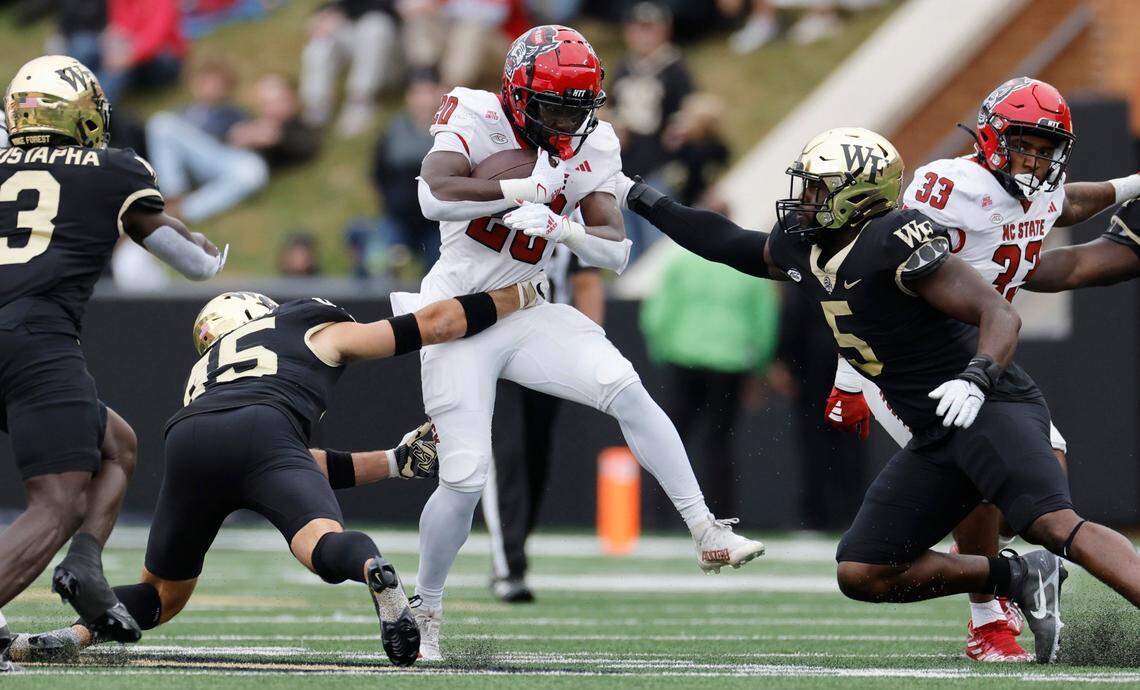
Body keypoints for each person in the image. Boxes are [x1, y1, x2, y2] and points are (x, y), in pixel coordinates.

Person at [618, 126, 1140, 663]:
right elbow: (728, 242)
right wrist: (640, 196)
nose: (804, 200)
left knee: (1053, 522)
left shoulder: (896, 238)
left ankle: (1013, 592)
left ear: (856, 195)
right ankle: (1016, 574)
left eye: (818, 189)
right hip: (934, 432)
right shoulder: (811, 244)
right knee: (863, 571)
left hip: (987, 404)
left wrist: (978, 375)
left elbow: (998, 312)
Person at [410, 24, 765, 660]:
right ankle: (426, 607)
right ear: (517, 95)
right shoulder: (475, 110)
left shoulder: (594, 141)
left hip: (528, 306)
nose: (567, 123)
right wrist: (520, 190)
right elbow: (433, 194)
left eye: (579, 108)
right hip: (457, 314)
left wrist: (562, 231)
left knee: (624, 387)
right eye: (553, 107)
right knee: (464, 476)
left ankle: (706, 528)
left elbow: (618, 250)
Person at [8, 279, 546, 667]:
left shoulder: (208, 370)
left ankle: (73, 636)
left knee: (164, 593)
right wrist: (514, 297)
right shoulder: (304, 322)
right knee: (319, 543)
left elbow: (293, 459)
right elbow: (431, 324)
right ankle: (373, 572)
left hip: (189, 436)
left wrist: (391, 462)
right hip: (266, 432)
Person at [822, 78, 1140, 662]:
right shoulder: (950, 186)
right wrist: (849, 378)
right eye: (1024, 143)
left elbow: (1065, 205)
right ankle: (990, 619)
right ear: (992, 135)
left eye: (1047, 149)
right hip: (914, 363)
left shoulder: (1039, 190)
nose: (1034, 158)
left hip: (984, 361)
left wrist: (1130, 186)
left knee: (1027, 495)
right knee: (992, 478)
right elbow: (872, 277)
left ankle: (1014, 581)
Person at [0, 55, 226, 667]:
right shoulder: (111, 167)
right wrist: (211, 255)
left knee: (116, 444)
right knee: (59, 499)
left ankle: (83, 566)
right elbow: (188, 259)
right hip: (32, 335)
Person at [482, 242, 604, 603]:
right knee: (507, 453)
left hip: (550, 348)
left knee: (537, 454)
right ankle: (509, 567)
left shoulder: (572, 208)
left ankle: (513, 551)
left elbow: (586, 281)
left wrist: (591, 349)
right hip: (498, 345)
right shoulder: (498, 202)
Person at [640, 248, 779, 516]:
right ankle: (722, 513)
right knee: (718, 442)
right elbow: (765, 322)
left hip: (683, 358)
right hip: (730, 361)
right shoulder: (748, 267)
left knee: (672, 437)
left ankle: (661, 513)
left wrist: (660, 351)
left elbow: (657, 313)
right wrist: (759, 366)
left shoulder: (680, 262)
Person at [607, 2, 693, 256]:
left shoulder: (674, 67)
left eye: (649, 28)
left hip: (658, 166)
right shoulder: (624, 67)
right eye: (637, 28)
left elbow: (690, 108)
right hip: (623, 169)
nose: (643, 36)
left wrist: (682, 126)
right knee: (629, 246)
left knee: (658, 245)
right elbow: (609, 107)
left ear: (664, 30)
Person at [146, 61, 269, 224]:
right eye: (205, 81)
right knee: (160, 123)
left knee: (253, 171)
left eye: (216, 83)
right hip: (191, 160)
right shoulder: (182, 113)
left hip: (220, 157)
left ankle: (184, 211)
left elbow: (242, 137)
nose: (210, 87)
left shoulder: (234, 112)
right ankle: (172, 196)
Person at [371, 69, 446, 268]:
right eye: (417, 93)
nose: (423, 100)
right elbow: (379, 173)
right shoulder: (393, 132)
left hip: (438, 223)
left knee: (441, 269)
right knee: (377, 258)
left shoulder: (451, 134)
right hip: (398, 219)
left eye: (428, 92)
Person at [300, 0, 401, 136]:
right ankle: (316, 108)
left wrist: (340, 13)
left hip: (395, 53)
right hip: (357, 31)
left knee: (374, 27)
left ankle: (360, 103)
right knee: (320, 44)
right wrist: (325, 14)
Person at [99, 0, 186, 102]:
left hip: (163, 58)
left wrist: (128, 56)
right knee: (86, 46)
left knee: (119, 69)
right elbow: (119, 27)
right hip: (130, 50)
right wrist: (110, 45)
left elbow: (156, 38)